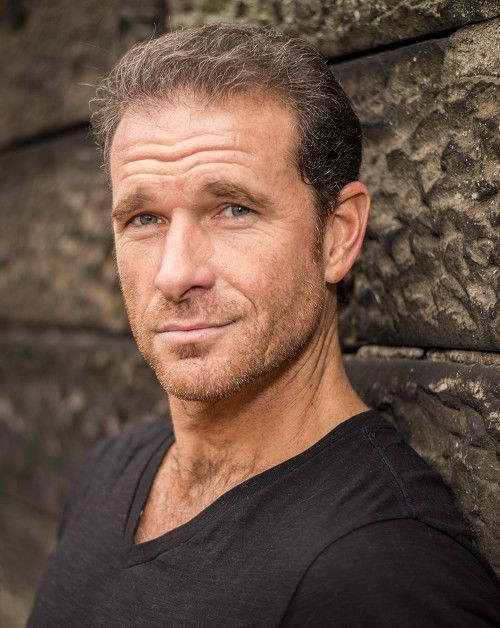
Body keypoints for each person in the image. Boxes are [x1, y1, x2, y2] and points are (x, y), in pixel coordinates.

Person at [28, 24, 500, 627]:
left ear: (337, 235)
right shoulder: (107, 473)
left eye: (233, 209)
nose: (175, 274)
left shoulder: (386, 571)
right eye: (144, 218)